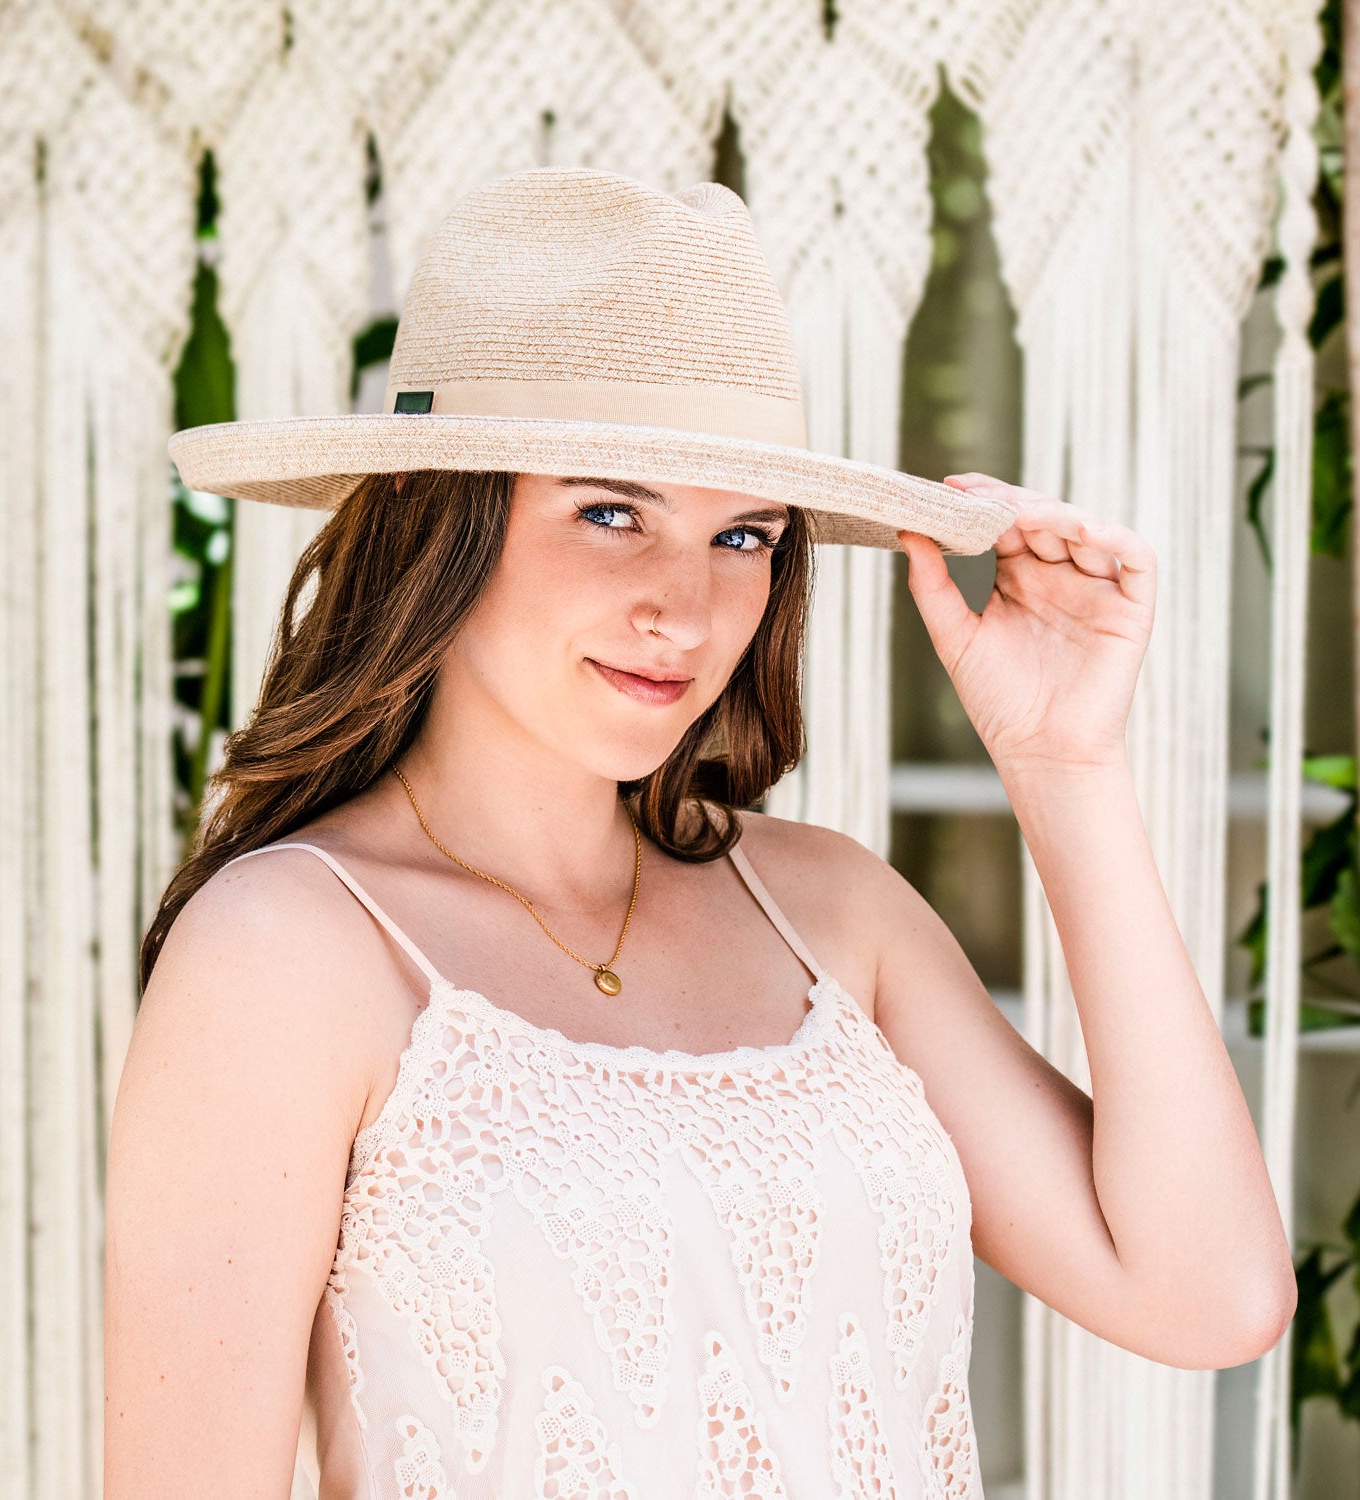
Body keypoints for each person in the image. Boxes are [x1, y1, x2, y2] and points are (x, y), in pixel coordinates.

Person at [103, 167, 1296, 1498]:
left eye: (743, 534)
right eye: (610, 512)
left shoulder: (829, 909)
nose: (687, 605)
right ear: (446, 521)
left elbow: (1209, 1297)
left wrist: (1068, 767)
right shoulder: (284, 952)